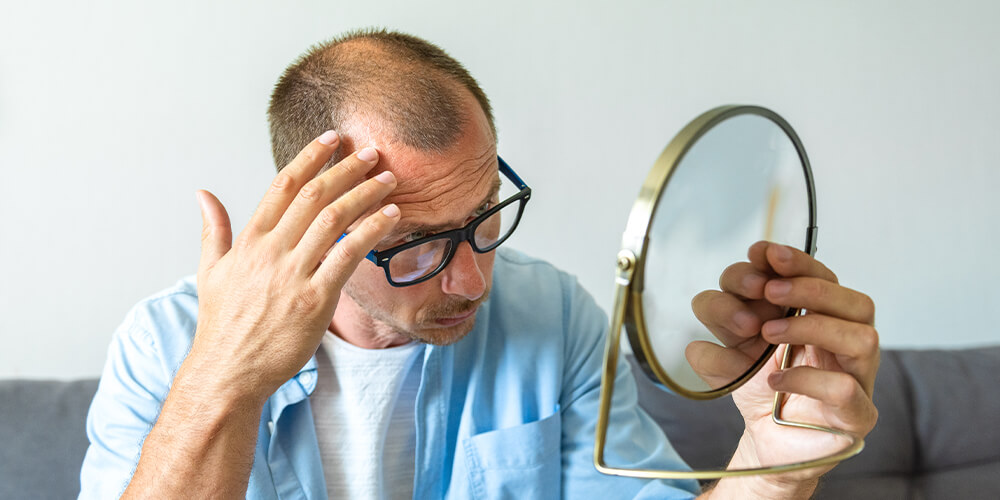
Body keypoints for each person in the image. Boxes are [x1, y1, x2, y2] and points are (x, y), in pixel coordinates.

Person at [79, 29, 878, 499]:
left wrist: (775, 468)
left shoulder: (553, 317)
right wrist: (226, 376)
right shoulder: (163, 344)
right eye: (417, 242)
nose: (473, 281)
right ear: (313, 227)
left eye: (484, 217)